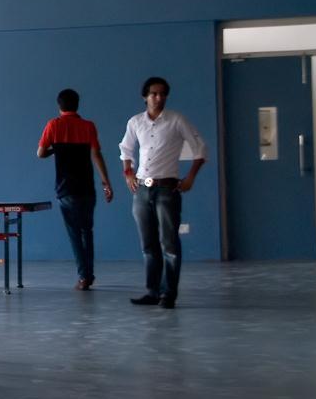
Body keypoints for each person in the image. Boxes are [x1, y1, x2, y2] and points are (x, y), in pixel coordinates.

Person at [119, 77, 207, 310]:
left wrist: (190, 177)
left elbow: (200, 148)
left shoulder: (176, 120)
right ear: (145, 97)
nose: (158, 98)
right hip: (141, 188)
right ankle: (153, 291)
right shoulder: (136, 122)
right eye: (154, 94)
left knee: (169, 243)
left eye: (162, 94)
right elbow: (126, 149)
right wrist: (128, 173)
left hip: (167, 187)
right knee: (148, 243)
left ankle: (169, 293)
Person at [37, 89, 114, 290]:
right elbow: (96, 154)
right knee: (87, 231)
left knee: (74, 233)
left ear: (59, 106)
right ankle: (89, 273)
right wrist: (106, 182)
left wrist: (57, 150)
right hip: (87, 188)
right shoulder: (88, 126)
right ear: (77, 105)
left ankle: (83, 276)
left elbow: (40, 153)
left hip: (66, 189)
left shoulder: (53, 125)